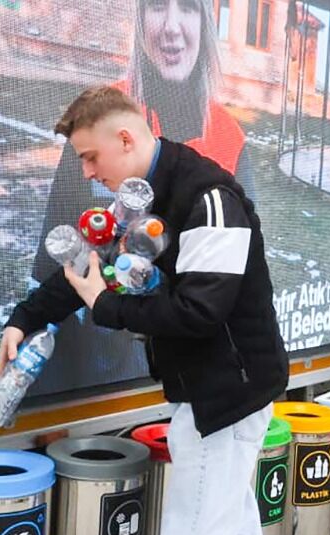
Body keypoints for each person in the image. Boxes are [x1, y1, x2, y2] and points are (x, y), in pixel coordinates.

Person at [0, 86, 297, 535]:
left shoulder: (210, 200)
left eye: (89, 157)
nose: (87, 172)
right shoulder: (141, 202)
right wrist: (26, 317)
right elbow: (89, 267)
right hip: (219, 394)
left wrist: (107, 309)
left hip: (225, 400)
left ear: (126, 141)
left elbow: (199, 309)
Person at [28, 0, 254, 395]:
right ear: (138, 20)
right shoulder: (99, 126)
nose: (171, 27)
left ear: (205, 23)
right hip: (103, 379)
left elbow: (235, 289)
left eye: (187, 7)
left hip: (199, 378)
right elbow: (59, 264)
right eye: (155, 7)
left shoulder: (228, 138)